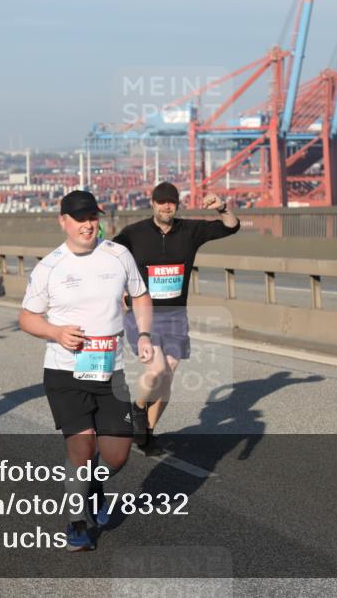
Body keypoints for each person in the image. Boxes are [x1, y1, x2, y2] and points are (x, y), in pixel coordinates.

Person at [19, 190, 154, 552]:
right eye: (79, 218)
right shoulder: (50, 266)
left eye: (92, 217)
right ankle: (76, 521)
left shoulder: (118, 255)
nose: (87, 225)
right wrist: (55, 332)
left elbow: (140, 295)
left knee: (116, 455)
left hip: (111, 370)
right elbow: (27, 317)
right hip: (65, 372)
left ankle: (93, 486)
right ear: (63, 221)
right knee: (82, 447)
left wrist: (142, 333)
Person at [114, 182, 240, 455]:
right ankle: (135, 411)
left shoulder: (190, 231)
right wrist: (123, 290)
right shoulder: (133, 234)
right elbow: (111, 259)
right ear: (152, 203)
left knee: (167, 377)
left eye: (170, 201)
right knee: (156, 371)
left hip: (176, 316)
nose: (166, 206)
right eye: (161, 201)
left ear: (177, 204)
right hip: (143, 314)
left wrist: (222, 208)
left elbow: (231, 226)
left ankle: (146, 433)